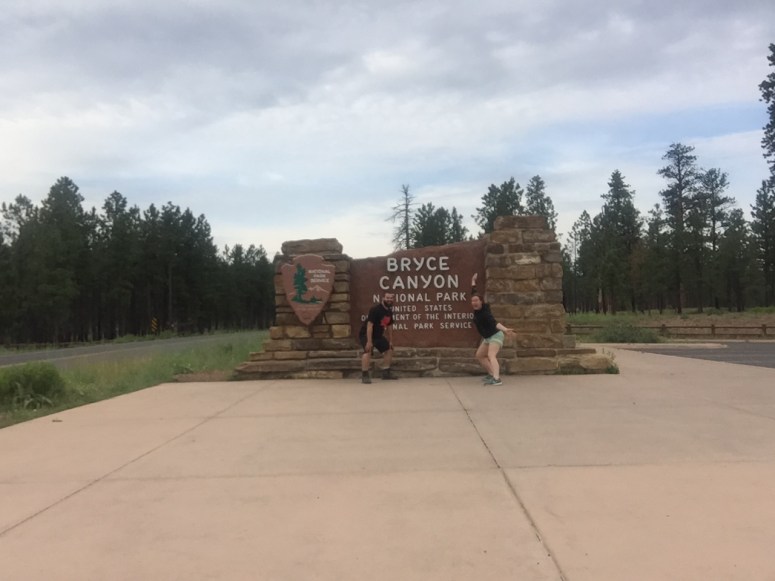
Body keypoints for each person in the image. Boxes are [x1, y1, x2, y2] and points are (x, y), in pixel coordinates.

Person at [471, 273, 514, 385]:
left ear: (481, 302)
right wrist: (473, 282)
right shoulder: (477, 310)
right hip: (488, 337)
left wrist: (505, 330)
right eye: (473, 301)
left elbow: (495, 323)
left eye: (476, 301)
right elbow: (474, 293)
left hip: (496, 335)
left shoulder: (485, 313)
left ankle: (497, 379)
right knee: (480, 355)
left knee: (491, 355)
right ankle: (491, 374)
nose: (474, 302)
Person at [359, 292, 399, 384]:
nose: (389, 299)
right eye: (387, 298)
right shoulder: (375, 309)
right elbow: (369, 325)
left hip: (378, 336)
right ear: (383, 298)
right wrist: (369, 342)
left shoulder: (389, 311)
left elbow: (389, 326)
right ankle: (365, 375)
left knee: (389, 349)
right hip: (366, 334)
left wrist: (391, 341)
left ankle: (386, 373)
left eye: (391, 298)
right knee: (368, 351)